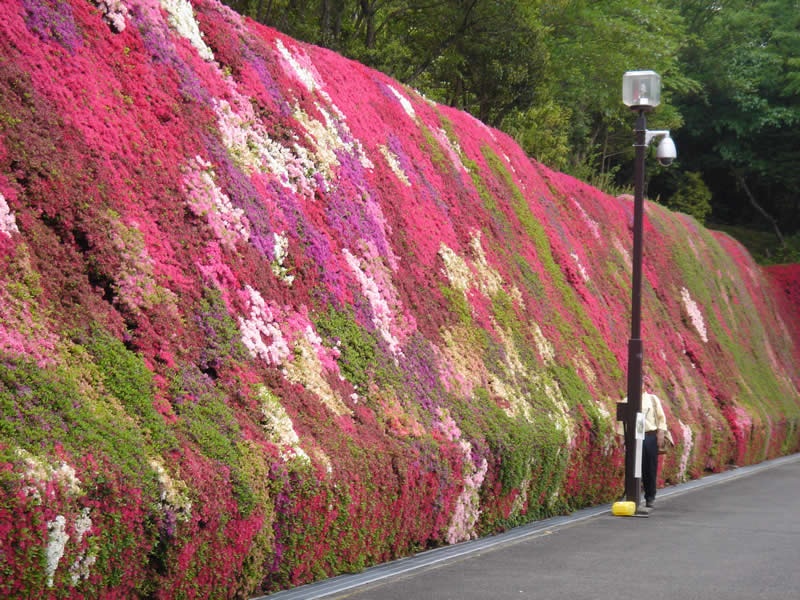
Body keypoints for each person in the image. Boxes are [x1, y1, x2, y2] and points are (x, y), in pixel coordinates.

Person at [641, 390, 668, 508]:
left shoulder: (652, 399)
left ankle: (650, 496)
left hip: (650, 436)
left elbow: (661, 418)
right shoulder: (628, 399)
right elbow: (622, 423)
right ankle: (632, 496)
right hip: (635, 437)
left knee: (650, 468)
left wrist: (661, 431)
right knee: (635, 468)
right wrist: (622, 437)